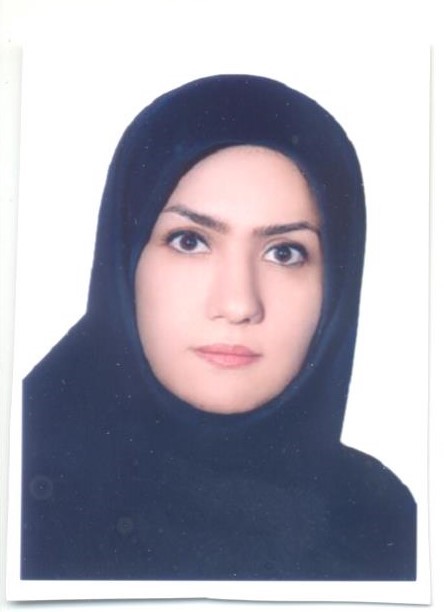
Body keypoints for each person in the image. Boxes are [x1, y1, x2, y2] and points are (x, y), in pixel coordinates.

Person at [21, 74, 416, 581]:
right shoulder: (20, 481)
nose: (237, 304)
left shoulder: (380, 520)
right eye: (190, 241)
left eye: (284, 253)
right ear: (124, 257)